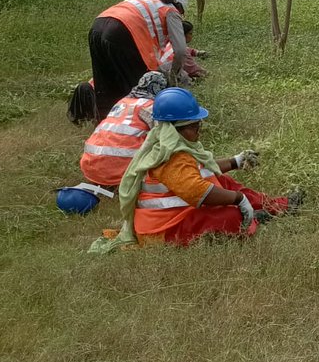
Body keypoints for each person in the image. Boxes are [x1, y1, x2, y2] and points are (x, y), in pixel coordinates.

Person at [114, 87, 302, 246]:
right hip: (163, 229)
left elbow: (202, 169)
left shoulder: (171, 145)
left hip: (177, 215)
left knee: (222, 180)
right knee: (232, 216)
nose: (199, 130)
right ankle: (256, 216)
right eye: (194, 126)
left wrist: (235, 161)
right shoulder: (171, 158)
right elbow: (199, 191)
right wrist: (239, 199)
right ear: (174, 129)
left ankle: (278, 205)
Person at [87, 0, 187, 119]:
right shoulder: (171, 10)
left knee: (105, 82)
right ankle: (132, 125)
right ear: (179, 6)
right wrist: (174, 75)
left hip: (97, 27)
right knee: (137, 86)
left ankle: (104, 125)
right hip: (121, 32)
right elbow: (180, 50)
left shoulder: (144, 2)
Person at [79, 71, 167, 190]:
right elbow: (165, 136)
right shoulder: (151, 106)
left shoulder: (121, 103)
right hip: (120, 175)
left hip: (91, 169)